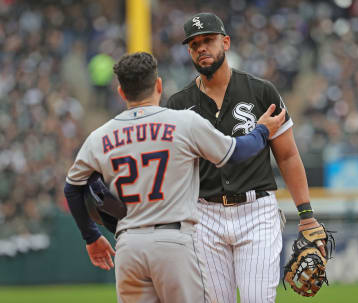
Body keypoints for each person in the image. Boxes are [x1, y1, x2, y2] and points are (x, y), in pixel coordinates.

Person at [63, 52, 286, 303]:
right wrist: (262, 130)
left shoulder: (99, 137)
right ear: (158, 85)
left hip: (128, 245)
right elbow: (236, 152)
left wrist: (91, 237)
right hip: (174, 241)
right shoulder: (183, 123)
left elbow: (72, 189)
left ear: (121, 92)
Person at [166, 12, 326, 303]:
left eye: (208, 40)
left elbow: (288, 155)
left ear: (225, 42)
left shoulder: (261, 91)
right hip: (204, 215)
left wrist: (306, 214)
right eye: (194, 44)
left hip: (256, 212)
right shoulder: (178, 105)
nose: (201, 48)